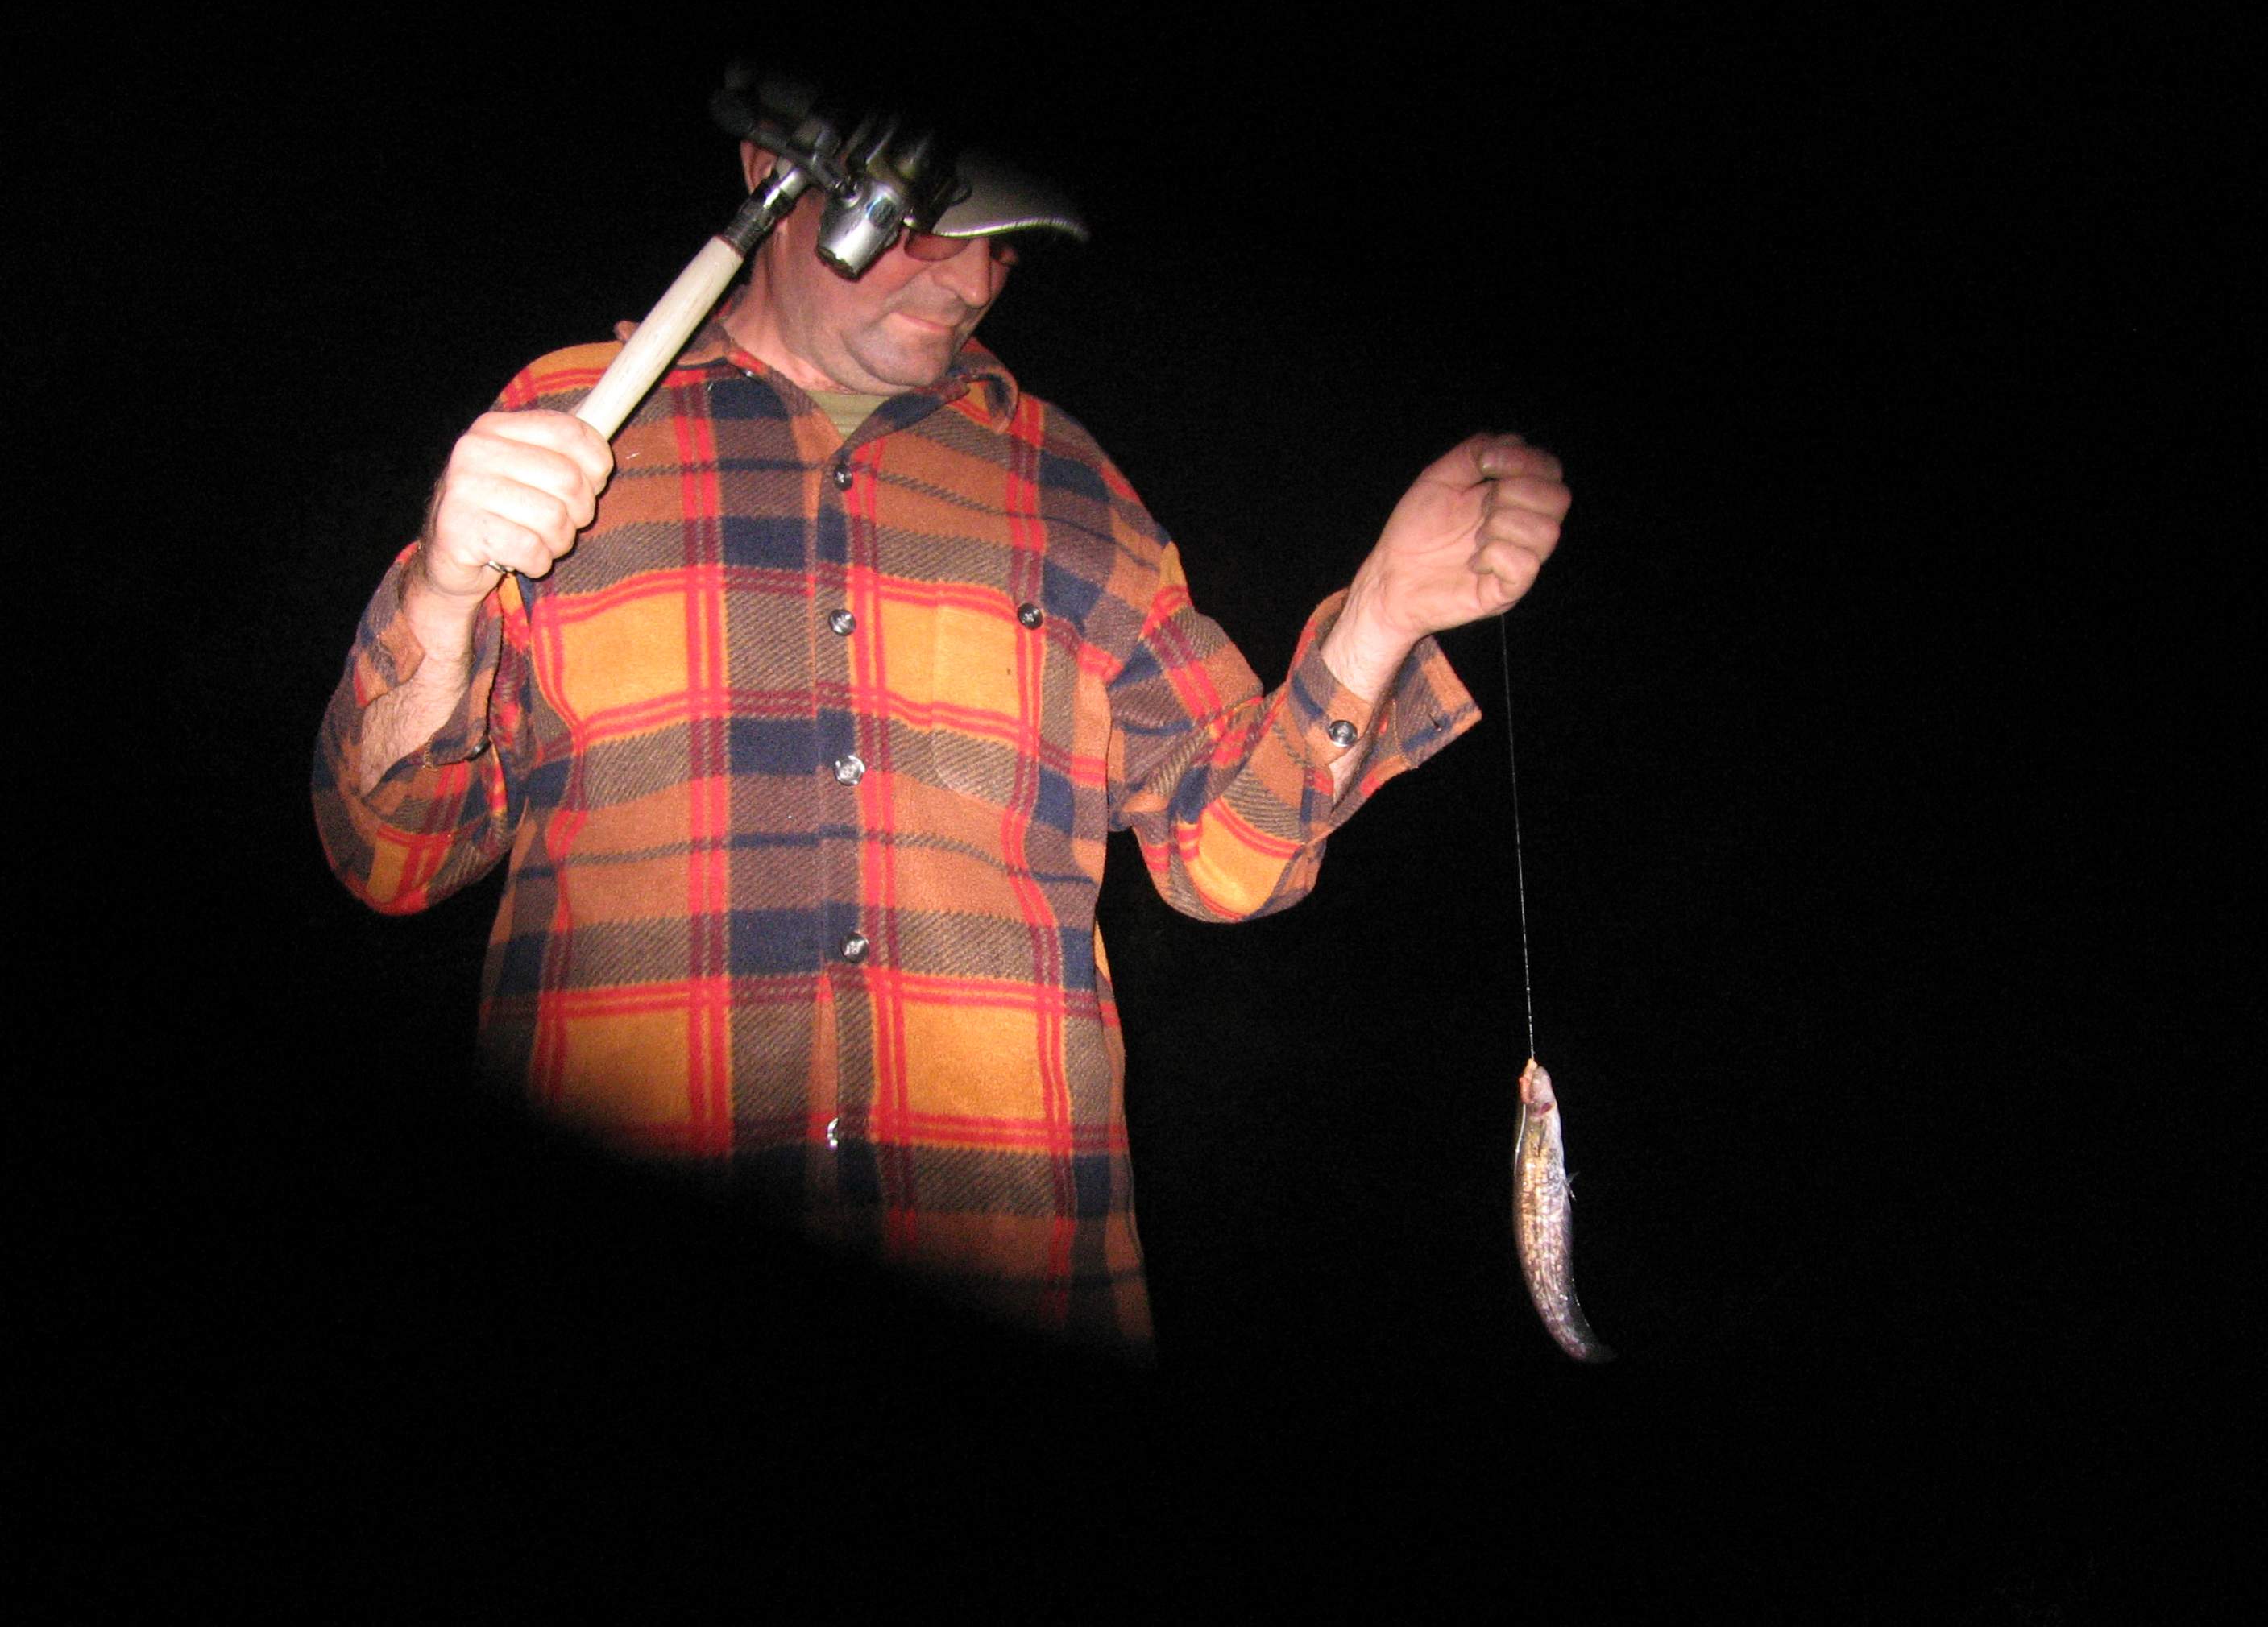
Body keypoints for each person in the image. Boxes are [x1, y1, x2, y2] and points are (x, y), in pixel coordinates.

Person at [313, 85, 1569, 1360]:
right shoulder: (567, 428)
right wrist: (445, 593)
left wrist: (1384, 612)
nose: (973, 285)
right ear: (772, 177)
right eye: (928, 230)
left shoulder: (1073, 486)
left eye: (1004, 247)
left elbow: (1227, 861)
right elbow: (393, 853)